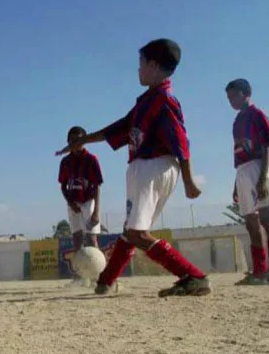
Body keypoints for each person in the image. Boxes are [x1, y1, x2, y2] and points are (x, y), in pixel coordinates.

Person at [56, 39, 211, 298]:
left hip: (152, 168)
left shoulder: (163, 100)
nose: (137, 70)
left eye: (140, 64)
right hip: (149, 168)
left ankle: (193, 276)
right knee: (130, 232)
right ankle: (105, 282)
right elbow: (119, 127)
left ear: (152, 65)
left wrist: (189, 179)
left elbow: (181, 140)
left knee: (138, 233)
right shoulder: (147, 101)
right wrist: (83, 140)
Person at [226, 78, 269, 285]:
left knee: (266, 218)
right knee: (250, 222)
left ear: (246, 93)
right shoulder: (237, 121)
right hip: (242, 171)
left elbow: (266, 148)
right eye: (228, 98)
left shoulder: (257, 115)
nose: (231, 101)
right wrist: (236, 184)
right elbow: (238, 154)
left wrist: (263, 178)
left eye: (234, 96)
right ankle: (259, 270)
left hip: (257, 167)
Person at [58, 126, 103, 254]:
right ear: (68, 142)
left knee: (91, 239)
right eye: (71, 141)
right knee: (77, 239)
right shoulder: (65, 161)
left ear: (85, 141)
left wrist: (96, 212)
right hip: (73, 203)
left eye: (78, 140)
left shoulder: (91, 159)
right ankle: (80, 272)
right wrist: (70, 203)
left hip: (88, 201)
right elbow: (62, 186)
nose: (75, 143)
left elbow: (97, 186)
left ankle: (98, 271)